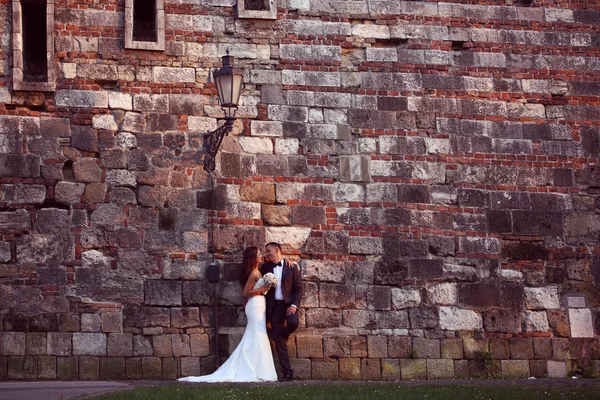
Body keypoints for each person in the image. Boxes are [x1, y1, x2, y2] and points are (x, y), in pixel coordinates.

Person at [178, 246, 277, 382]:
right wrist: (263, 288)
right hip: (254, 305)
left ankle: (258, 368)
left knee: (258, 333)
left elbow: (276, 261)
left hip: (260, 304)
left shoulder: (259, 271)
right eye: (259, 253)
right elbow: (245, 293)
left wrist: (266, 287)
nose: (262, 255)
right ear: (253, 257)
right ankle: (254, 369)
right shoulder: (254, 273)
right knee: (256, 333)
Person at [262, 242, 303, 382]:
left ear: (277, 250)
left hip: (288, 306)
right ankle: (287, 373)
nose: (267, 254)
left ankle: (281, 335)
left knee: (293, 323)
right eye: (266, 252)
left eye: (269, 251)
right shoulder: (265, 267)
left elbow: (299, 289)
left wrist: (294, 305)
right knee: (279, 341)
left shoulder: (292, 267)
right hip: (274, 308)